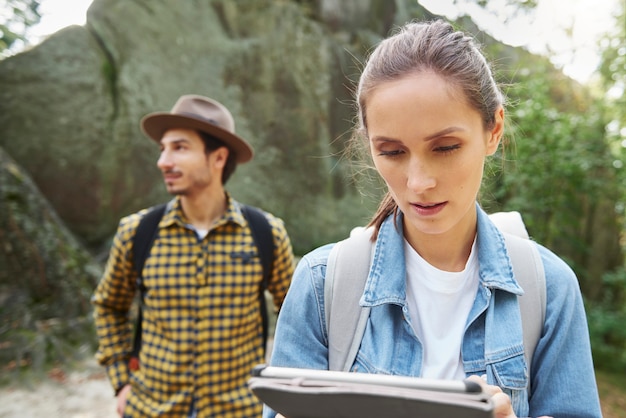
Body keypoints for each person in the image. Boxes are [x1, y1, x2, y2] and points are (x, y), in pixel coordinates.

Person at [265, 20, 602, 418]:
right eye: (392, 152)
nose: (418, 182)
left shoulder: (550, 288)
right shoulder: (322, 285)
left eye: (445, 147)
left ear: (493, 130)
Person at [92, 94, 295, 417]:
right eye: (163, 149)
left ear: (218, 158)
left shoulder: (266, 233)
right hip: (151, 409)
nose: (163, 161)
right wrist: (122, 382)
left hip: (238, 410)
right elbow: (108, 306)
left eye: (179, 148)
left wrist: (280, 390)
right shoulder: (137, 232)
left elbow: (297, 317)